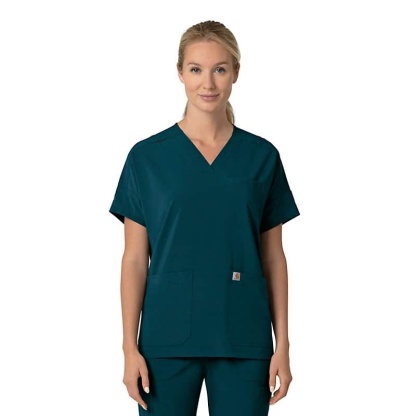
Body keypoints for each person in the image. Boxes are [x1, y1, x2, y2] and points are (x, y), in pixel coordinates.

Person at [109, 20, 300, 416]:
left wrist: (282, 344)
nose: (208, 83)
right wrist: (129, 347)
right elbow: (134, 260)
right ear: (180, 72)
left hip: (244, 338)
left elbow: (273, 259)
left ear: (236, 73)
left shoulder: (262, 157)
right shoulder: (147, 158)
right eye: (196, 69)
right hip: (165, 339)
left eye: (220, 69)